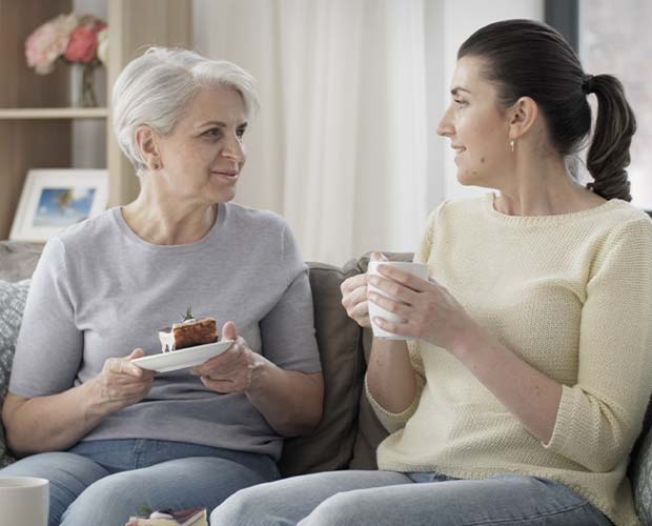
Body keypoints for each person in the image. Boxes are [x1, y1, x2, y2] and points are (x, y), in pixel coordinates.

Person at [210, 18, 652, 526]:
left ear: (520, 117)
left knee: (343, 519)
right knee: (243, 511)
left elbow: (601, 440)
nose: (445, 124)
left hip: (554, 490)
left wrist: (458, 331)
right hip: (419, 475)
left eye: (462, 101)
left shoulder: (619, 236)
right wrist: (387, 324)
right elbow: (397, 410)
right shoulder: (449, 221)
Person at [0, 47, 323, 526]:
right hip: (86, 454)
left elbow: (305, 412)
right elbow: (23, 427)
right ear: (149, 145)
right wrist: (101, 395)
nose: (236, 152)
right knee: (12, 499)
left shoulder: (267, 241)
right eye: (213, 133)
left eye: (239, 131)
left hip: (218, 461)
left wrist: (253, 372)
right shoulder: (75, 251)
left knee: (105, 508)